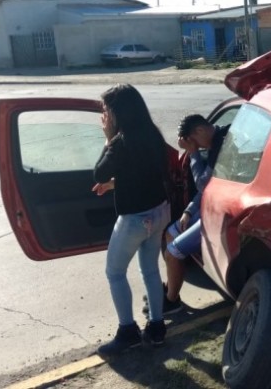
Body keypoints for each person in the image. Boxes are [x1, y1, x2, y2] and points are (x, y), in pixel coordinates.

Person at [92, 84, 171, 356]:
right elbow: (143, 173)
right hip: (160, 210)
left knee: (114, 272)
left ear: (117, 113)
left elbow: (99, 173)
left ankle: (128, 332)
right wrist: (115, 185)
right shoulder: (152, 134)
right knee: (150, 269)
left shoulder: (120, 141)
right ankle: (157, 328)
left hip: (135, 218)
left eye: (105, 110)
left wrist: (107, 138)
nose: (104, 115)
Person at [149, 114, 228, 314]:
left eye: (194, 142)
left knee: (173, 251)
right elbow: (206, 191)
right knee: (170, 233)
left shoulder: (222, 144)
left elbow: (204, 184)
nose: (198, 147)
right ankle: (171, 288)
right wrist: (187, 211)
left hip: (223, 212)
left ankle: (171, 302)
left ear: (200, 131)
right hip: (208, 206)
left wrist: (193, 154)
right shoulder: (216, 140)